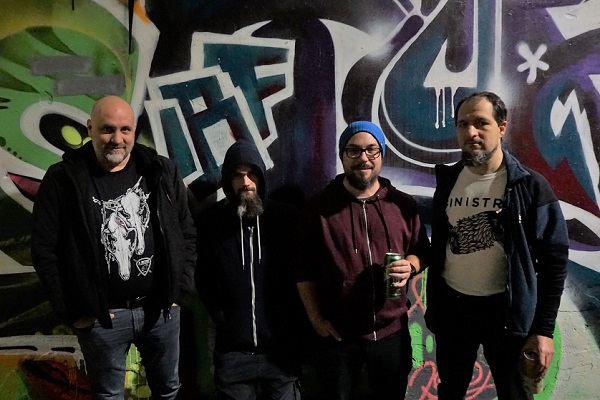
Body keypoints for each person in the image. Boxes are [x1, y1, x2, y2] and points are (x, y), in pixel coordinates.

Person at [31, 96, 197, 400]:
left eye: (125, 129)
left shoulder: (160, 171)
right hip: (101, 320)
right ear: (90, 129)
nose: (117, 139)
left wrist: (179, 290)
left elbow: (185, 231)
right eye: (107, 129)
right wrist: (74, 313)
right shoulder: (63, 179)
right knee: (108, 396)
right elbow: (44, 250)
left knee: (169, 391)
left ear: (134, 130)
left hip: (160, 311)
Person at [425, 91, 569, 399]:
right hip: (454, 309)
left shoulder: (530, 186)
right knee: (450, 391)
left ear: (502, 127)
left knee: (514, 394)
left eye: (481, 123)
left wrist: (543, 330)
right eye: (463, 124)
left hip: (506, 314)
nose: (471, 132)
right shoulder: (448, 181)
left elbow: (555, 261)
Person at [296, 121, 430, 399]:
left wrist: (411, 265)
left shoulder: (402, 205)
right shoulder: (319, 208)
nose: (363, 158)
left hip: (392, 333)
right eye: (354, 150)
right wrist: (315, 319)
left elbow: (422, 251)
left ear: (381, 154)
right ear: (342, 155)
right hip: (338, 338)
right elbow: (303, 269)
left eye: (371, 150)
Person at [195, 140, 303, 399]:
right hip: (233, 354)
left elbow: (303, 275)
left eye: (252, 174)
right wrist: (223, 316)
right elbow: (204, 279)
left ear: (262, 177)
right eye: (238, 175)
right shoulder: (212, 224)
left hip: (281, 353)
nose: (246, 182)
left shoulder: (286, 220)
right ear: (227, 180)